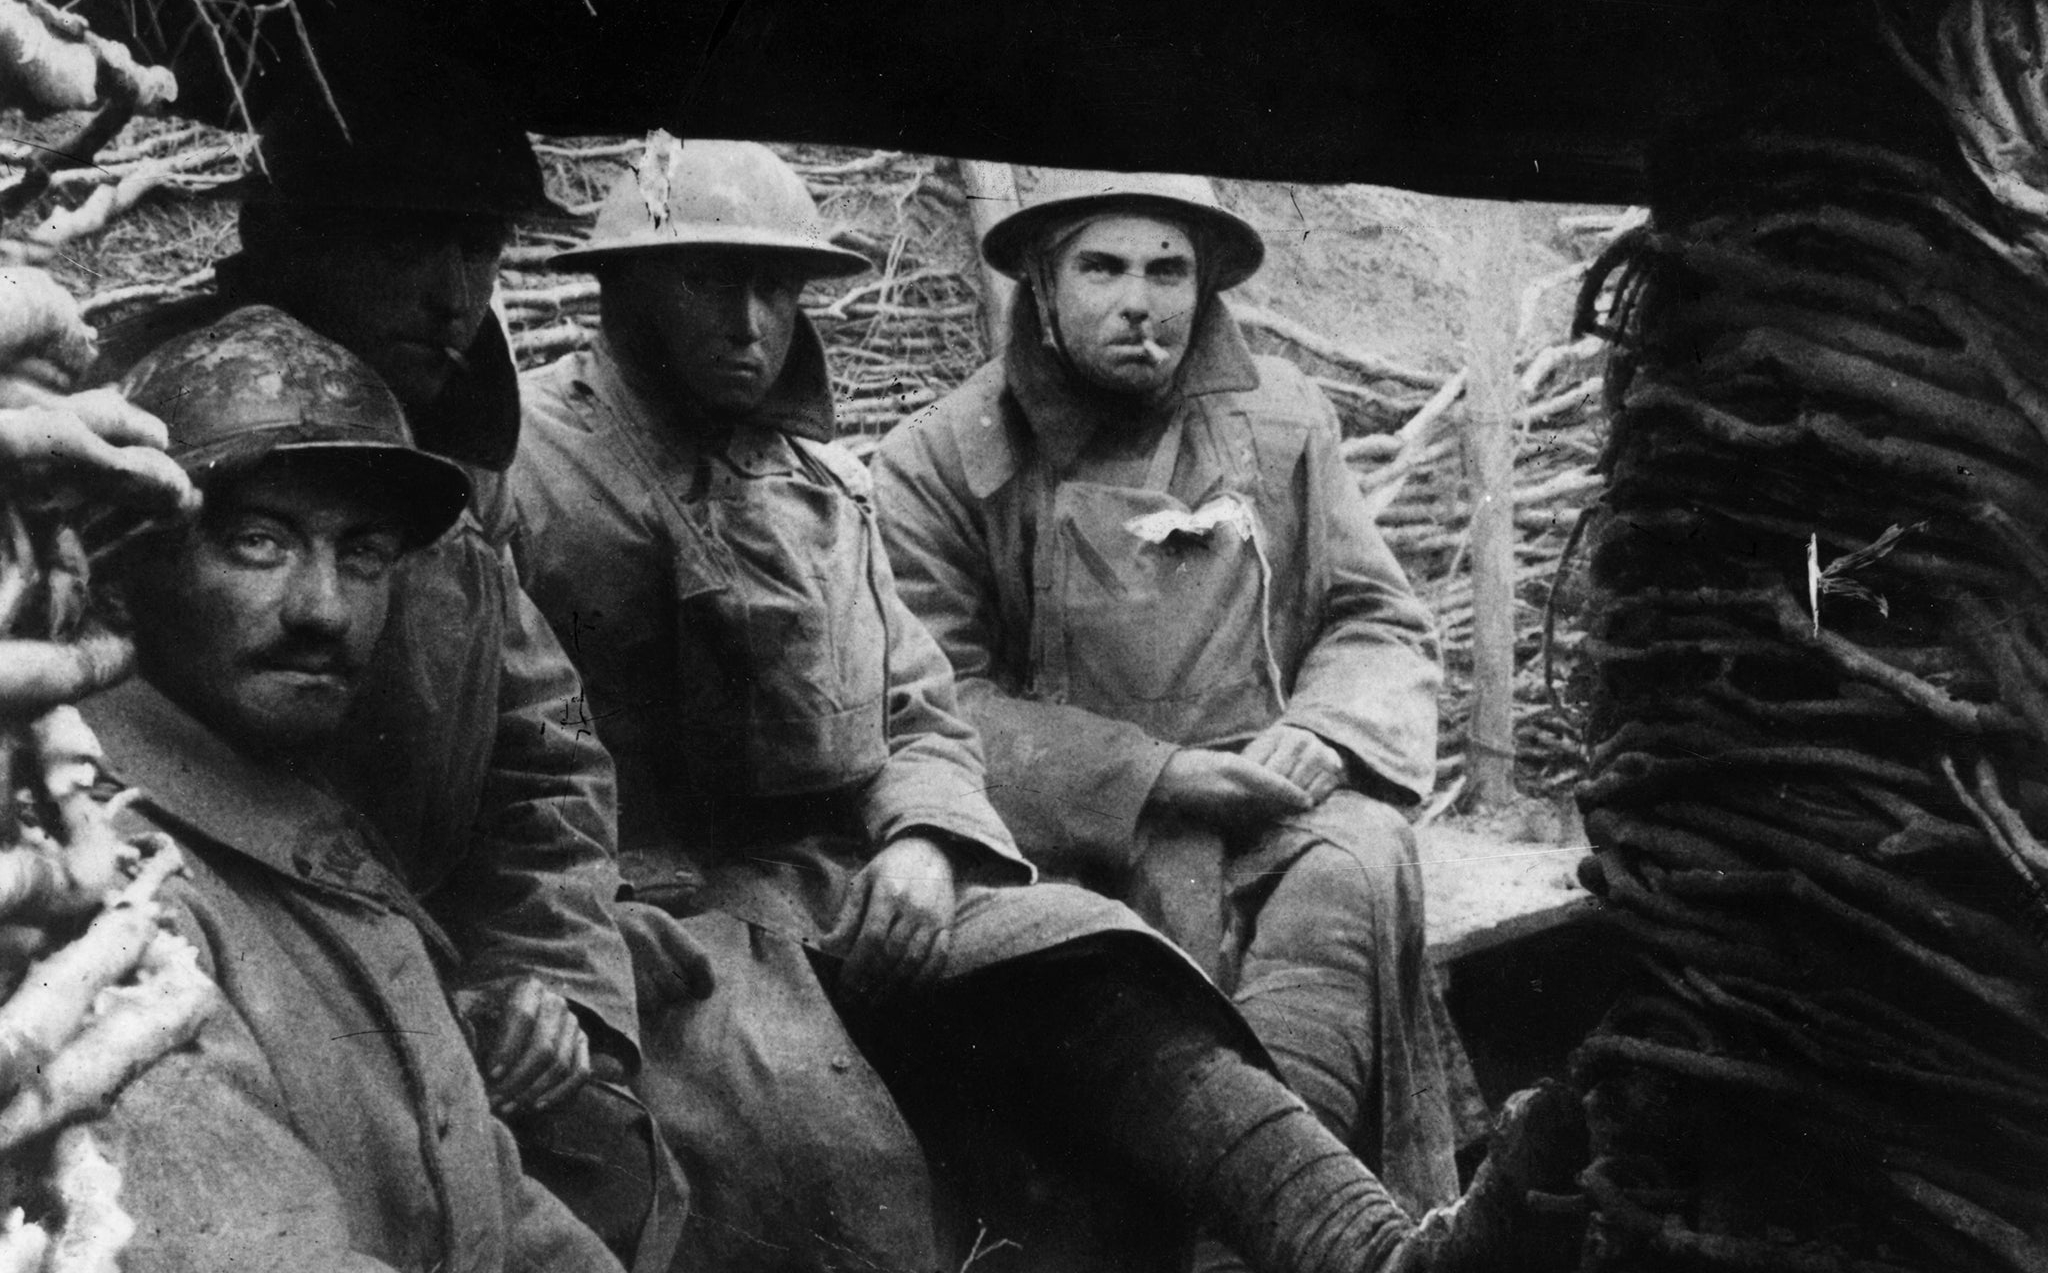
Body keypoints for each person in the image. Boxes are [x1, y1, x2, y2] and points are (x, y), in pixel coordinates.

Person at [509, 136, 1584, 1273]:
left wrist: (924, 840)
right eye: (702, 281)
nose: (746, 322)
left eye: (774, 286)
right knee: (826, 1150)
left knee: (1109, 964)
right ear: (619, 285)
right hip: (661, 907)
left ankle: (1359, 1250)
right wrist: (563, 917)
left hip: (848, 872)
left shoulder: (815, 484)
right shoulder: (529, 467)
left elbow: (912, 706)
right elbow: (482, 754)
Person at [87, 66, 670, 1265]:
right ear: (286, 233)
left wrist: (545, 988)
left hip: (424, 990)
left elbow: (543, 774)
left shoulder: (453, 511)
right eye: (409, 241)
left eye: (480, 249)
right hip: (229, 961)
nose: (455, 296)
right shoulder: (115, 452)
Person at [873, 169, 1465, 1216]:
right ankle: (1268, 1215)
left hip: (1266, 808)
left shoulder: (1278, 421)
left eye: (1167, 269)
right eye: (1101, 267)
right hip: (1067, 837)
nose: (1138, 301)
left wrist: (1324, 733)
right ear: (1042, 288)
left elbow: (1376, 616)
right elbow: (934, 697)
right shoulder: (943, 459)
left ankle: (1285, 1211)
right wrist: (1154, 778)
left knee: (1363, 859)